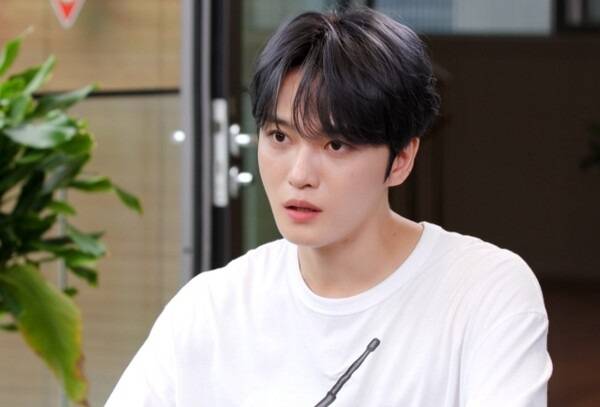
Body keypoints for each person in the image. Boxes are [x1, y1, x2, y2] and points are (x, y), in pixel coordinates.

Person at [106, 6, 552, 407]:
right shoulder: (212, 306)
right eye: (279, 137)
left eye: (336, 144)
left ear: (401, 159)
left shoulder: (485, 291)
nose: (299, 174)